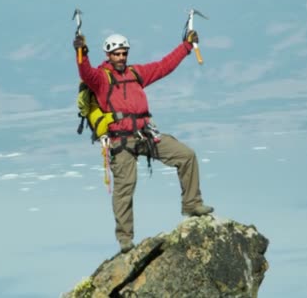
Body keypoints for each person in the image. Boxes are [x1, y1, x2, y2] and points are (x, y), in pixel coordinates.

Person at [73, 30, 214, 253]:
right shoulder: (101, 79)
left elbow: (163, 66)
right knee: (124, 188)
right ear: (109, 55)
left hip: (145, 134)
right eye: (117, 54)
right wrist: (81, 52)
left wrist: (186, 46)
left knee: (186, 155)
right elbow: (85, 73)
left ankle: (192, 204)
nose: (121, 57)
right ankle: (125, 239)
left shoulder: (136, 73)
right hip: (121, 142)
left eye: (124, 53)